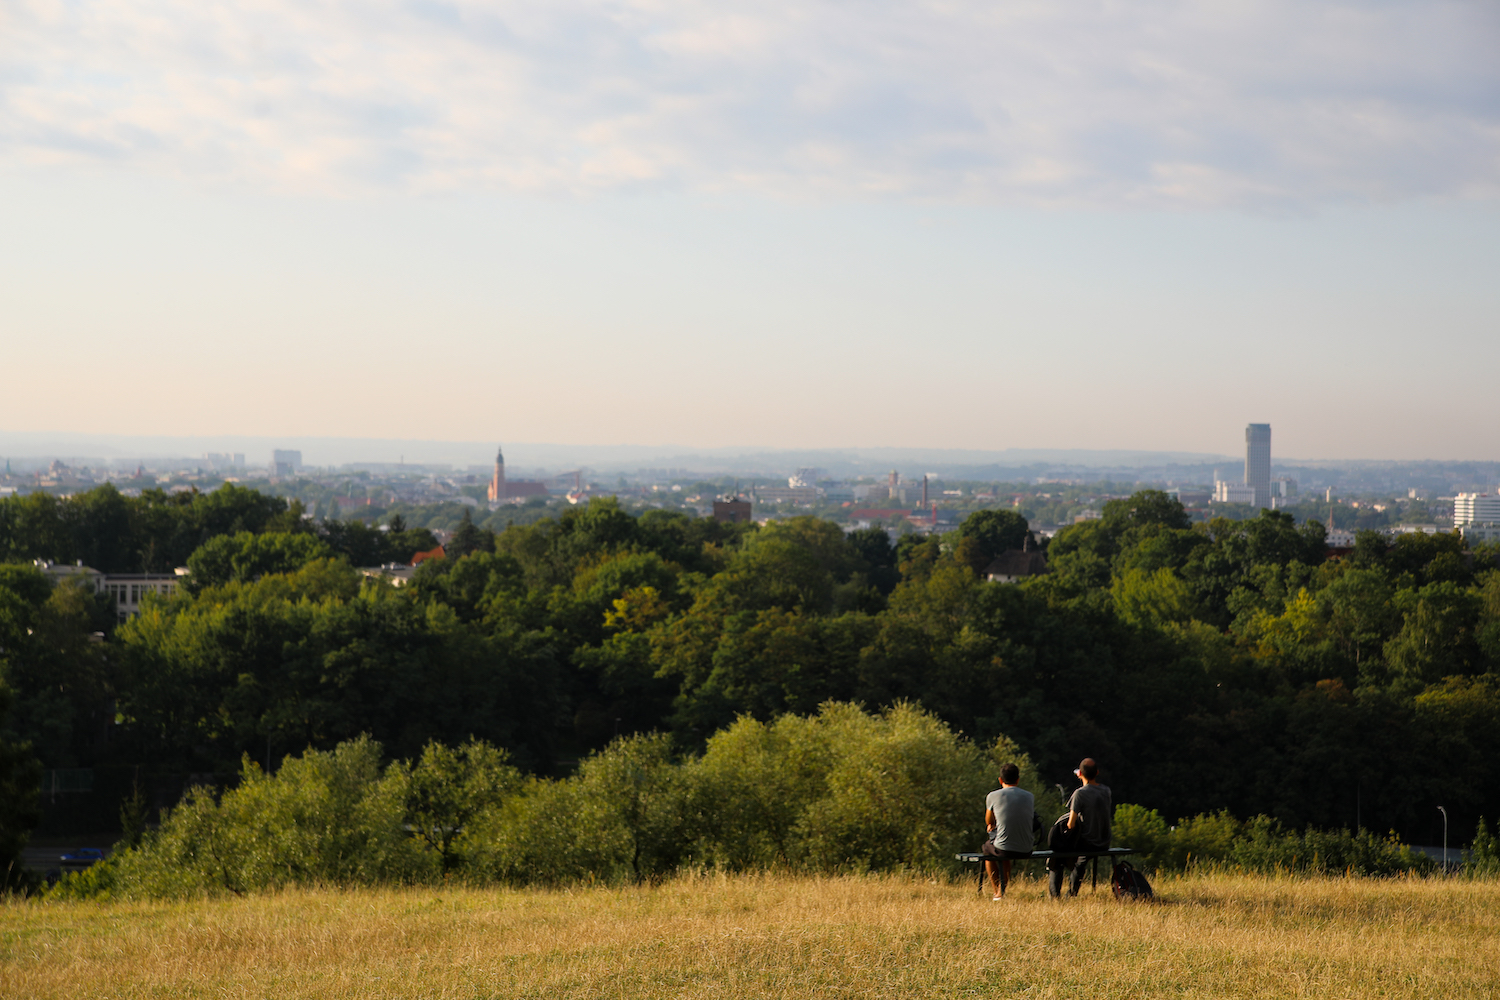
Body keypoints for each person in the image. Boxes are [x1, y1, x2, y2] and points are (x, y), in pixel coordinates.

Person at [1048, 757, 1111, 898]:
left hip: (1088, 842)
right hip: (1104, 841)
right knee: (1079, 859)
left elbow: (1071, 823)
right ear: (1097, 772)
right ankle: (1071, 892)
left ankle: (1056, 896)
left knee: (1057, 855)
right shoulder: (1106, 791)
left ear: (1080, 774)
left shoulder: (1080, 793)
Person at [981, 762, 1034, 900]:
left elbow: (989, 821)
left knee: (988, 848)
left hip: (1004, 848)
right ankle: (1000, 890)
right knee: (1004, 845)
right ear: (1018, 779)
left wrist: (991, 825)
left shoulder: (993, 796)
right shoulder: (1029, 796)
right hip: (1027, 848)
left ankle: (997, 892)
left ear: (1000, 780)